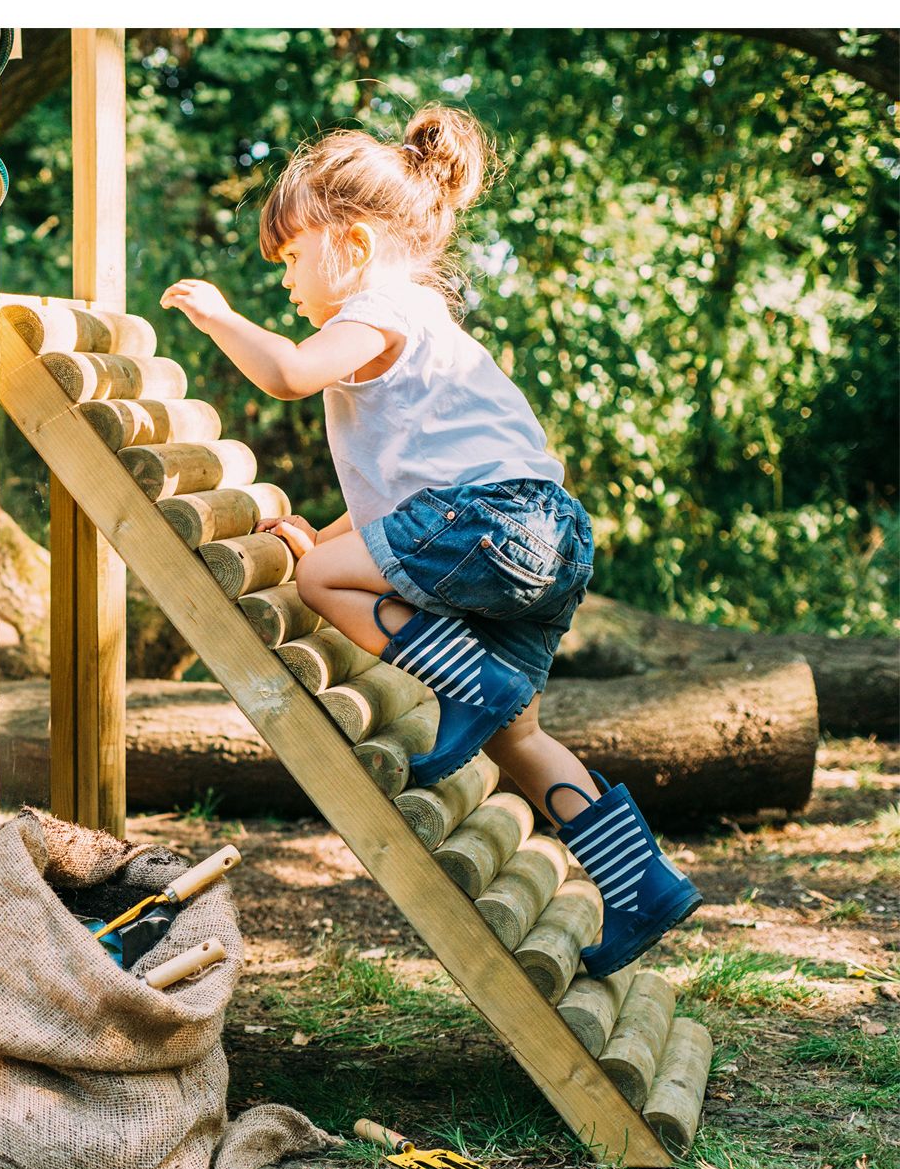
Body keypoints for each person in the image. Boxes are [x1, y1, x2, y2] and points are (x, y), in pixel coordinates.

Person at [160, 105, 698, 975]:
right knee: (519, 736)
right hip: (545, 534)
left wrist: (218, 318)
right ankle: (642, 887)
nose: (287, 282)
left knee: (321, 585)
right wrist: (319, 529)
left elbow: (291, 374)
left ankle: (473, 685)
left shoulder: (376, 312)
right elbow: (407, 497)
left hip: (491, 522)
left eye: (294, 257)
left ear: (355, 245)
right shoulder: (422, 322)